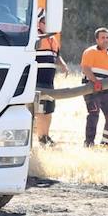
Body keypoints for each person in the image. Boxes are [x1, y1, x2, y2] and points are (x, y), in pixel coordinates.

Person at [33, 17, 69, 146]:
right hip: (36, 82)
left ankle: (45, 137)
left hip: (49, 83)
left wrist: (63, 65)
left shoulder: (53, 40)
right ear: (39, 24)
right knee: (38, 112)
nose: (48, 26)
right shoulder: (34, 37)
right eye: (45, 23)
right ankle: (40, 138)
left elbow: (57, 56)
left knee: (48, 111)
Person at [80, 27, 108, 147]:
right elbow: (86, 69)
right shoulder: (90, 52)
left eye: (107, 37)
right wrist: (95, 81)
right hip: (91, 89)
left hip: (106, 91)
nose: (105, 40)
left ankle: (106, 143)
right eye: (102, 38)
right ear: (97, 39)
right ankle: (89, 143)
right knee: (94, 114)